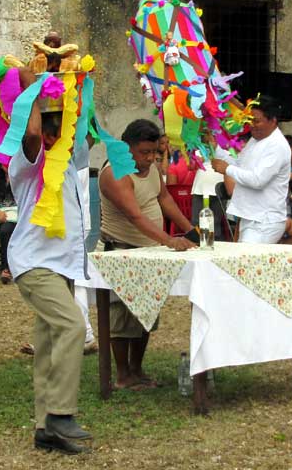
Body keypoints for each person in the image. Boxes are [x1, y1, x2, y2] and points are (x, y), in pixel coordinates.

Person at [8, 68, 92, 454]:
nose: (61, 132)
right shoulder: (27, 164)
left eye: (66, 125)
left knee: (47, 344)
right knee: (73, 325)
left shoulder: (71, 167)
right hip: (34, 262)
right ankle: (60, 412)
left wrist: (76, 87)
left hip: (64, 265)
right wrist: (34, 90)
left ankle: (45, 429)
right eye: (54, 124)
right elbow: (29, 133)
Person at [99, 119, 196, 389]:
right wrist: (169, 240)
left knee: (145, 315)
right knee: (121, 318)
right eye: (145, 153)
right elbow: (135, 215)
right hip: (121, 253)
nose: (151, 158)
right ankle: (121, 376)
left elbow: (164, 198)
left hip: (149, 253)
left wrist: (190, 231)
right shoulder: (115, 174)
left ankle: (136, 371)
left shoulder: (151, 169)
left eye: (155, 153)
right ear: (126, 147)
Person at [211, 95, 291, 243]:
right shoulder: (256, 139)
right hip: (251, 217)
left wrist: (227, 169)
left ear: (273, 120)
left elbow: (258, 180)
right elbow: (239, 164)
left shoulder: (277, 145)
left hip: (265, 221)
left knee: (245, 263)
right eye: (250, 120)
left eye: (257, 121)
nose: (252, 125)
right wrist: (215, 148)